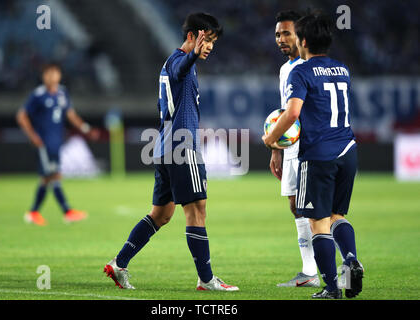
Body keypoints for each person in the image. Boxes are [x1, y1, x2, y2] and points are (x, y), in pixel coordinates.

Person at [104, 12, 239, 291]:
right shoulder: (180, 62)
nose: (210, 46)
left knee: (161, 214)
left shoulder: (170, 64)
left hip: (166, 146)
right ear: (192, 36)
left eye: (213, 41)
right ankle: (206, 279)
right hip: (181, 146)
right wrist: (192, 56)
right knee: (197, 211)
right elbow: (181, 69)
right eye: (207, 39)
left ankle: (119, 264)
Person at [262, 12, 364, 299]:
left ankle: (331, 287)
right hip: (348, 149)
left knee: (318, 223)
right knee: (337, 216)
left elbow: (292, 113)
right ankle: (351, 258)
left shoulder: (301, 71)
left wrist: (271, 138)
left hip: (318, 154)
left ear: (303, 40)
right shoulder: (342, 69)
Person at [270, 10, 319, 288]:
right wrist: (276, 148)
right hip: (290, 148)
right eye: (277, 34)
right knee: (295, 205)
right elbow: (283, 113)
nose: (281, 39)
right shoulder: (284, 70)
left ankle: (322, 268)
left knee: (315, 208)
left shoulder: (309, 66)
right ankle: (308, 270)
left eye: (286, 33)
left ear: (300, 36)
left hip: (310, 148)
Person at [17, 63, 99, 226]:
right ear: (43, 76)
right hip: (44, 143)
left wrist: (86, 128)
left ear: (59, 75)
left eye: (55, 73)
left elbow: (71, 115)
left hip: (56, 143)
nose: (52, 76)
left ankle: (35, 212)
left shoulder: (62, 93)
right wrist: (32, 136)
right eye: (48, 73)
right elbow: (22, 116)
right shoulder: (38, 95)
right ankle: (64, 211)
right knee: (53, 176)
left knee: (49, 178)